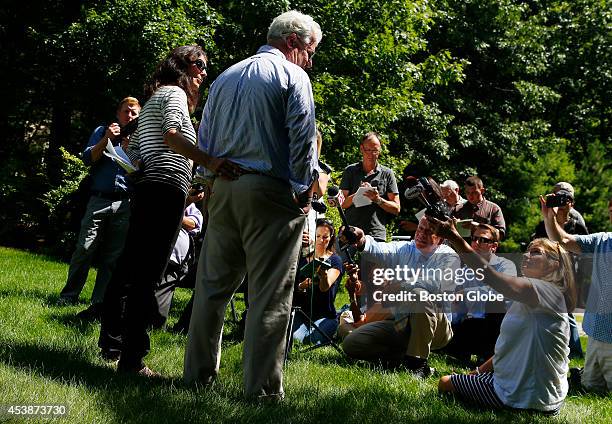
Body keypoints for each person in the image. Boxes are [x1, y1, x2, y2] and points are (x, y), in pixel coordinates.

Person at [183, 11, 322, 400]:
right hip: (270, 193)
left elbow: (205, 137)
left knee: (211, 289)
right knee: (270, 295)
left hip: (223, 189)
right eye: (310, 50)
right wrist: (303, 190)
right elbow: (302, 137)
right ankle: (260, 391)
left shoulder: (225, 77)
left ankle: (196, 377)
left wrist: (208, 184)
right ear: (293, 41)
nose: (310, 60)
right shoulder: (294, 77)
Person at [97, 46, 238, 376]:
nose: (203, 72)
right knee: (147, 275)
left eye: (206, 67)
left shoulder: (151, 103)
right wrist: (211, 161)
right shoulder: (174, 92)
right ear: (181, 65)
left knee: (131, 269)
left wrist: (192, 179)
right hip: (163, 192)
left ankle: (114, 344)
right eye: (199, 65)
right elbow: (173, 136)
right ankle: (132, 360)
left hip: (151, 189)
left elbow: (142, 157)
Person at [432, 217, 576, 414]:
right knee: (469, 377)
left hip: (524, 397)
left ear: (553, 265)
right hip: (546, 397)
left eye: (536, 253)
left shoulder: (544, 290)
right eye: (527, 250)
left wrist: (455, 237)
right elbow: (509, 346)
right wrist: (478, 372)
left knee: (445, 382)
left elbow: (493, 278)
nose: (526, 255)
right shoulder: (539, 296)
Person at [340, 216, 460, 377]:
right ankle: (400, 357)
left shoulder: (449, 256)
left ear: (441, 238)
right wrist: (361, 240)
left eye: (429, 231)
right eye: (420, 228)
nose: (421, 234)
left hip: (437, 328)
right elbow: (379, 250)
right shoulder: (405, 248)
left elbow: (434, 283)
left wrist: (400, 286)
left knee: (419, 294)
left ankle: (417, 364)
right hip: (401, 322)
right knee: (351, 344)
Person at [58, 97, 140, 320]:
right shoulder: (103, 131)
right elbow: (87, 158)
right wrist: (106, 140)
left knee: (113, 257)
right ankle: (69, 295)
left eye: (134, 113)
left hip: (124, 202)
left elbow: (141, 173)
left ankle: (100, 302)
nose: (130, 116)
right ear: (118, 113)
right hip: (99, 199)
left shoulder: (140, 140)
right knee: (85, 247)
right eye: (126, 112)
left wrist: (129, 150)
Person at [542, 195, 612, 393]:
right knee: (589, 387)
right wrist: (550, 217)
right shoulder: (602, 240)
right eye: (611, 211)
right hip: (594, 333)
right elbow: (562, 239)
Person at [444, 224, 517, 363]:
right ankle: (459, 352)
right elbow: (456, 305)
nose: (476, 243)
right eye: (474, 239)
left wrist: (466, 293)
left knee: (495, 303)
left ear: (494, 246)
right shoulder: (465, 271)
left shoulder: (506, 265)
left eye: (483, 240)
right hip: (473, 325)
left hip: (499, 327)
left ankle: (488, 355)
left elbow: (502, 291)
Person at [151, 193, 204, 329]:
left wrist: (172, 213)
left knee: (155, 320)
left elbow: (194, 223)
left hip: (176, 263)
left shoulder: (191, 205)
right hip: (154, 255)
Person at [339, 132, 400, 242]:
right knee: (346, 260)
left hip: (376, 234)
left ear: (380, 150)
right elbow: (341, 204)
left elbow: (396, 208)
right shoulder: (350, 171)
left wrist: (378, 199)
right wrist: (359, 193)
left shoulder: (387, 173)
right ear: (361, 149)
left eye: (375, 150)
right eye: (368, 150)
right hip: (351, 232)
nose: (372, 154)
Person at [292, 219, 344, 344]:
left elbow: (325, 287)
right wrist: (301, 286)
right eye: (318, 236)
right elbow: (292, 288)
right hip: (302, 313)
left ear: (331, 237)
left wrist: (323, 275)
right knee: (297, 339)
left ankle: (337, 320)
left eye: (325, 237)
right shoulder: (303, 258)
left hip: (325, 315)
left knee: (312, 340)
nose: (321, 240)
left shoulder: (335, 260)